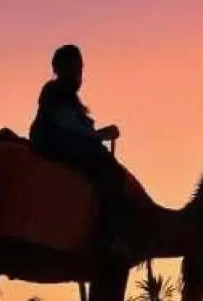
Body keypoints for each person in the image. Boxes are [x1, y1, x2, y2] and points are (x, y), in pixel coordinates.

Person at [29, 44, 134, 254]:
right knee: (105, 168)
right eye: (74, 67)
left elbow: (78, 125)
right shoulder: (54, 92)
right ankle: (106, 233)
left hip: (65, 142)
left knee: (106, 165)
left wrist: (97, 134)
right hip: (53, 143)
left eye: (80, 68)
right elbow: (67, 124)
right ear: (60, 68)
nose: (79, 73)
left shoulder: (68, 96)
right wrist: (98, 135)